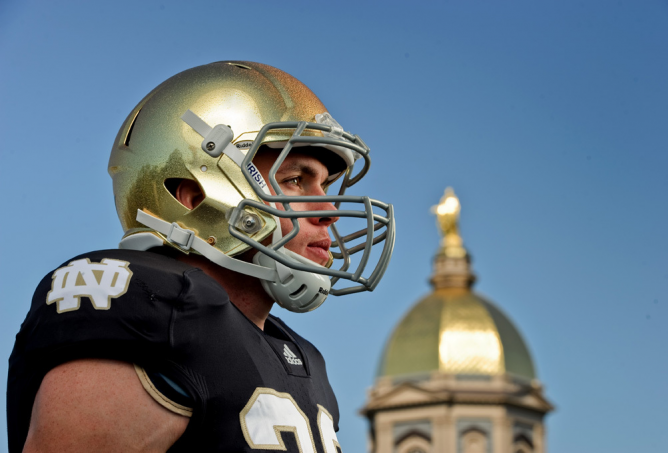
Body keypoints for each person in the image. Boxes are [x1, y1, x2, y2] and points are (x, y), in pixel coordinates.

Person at [8, 61, 395, 452]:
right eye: (295, 179)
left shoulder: (299, 356)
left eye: (325, 183)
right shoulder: (149, 310)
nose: (328, 209)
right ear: (193, 195)